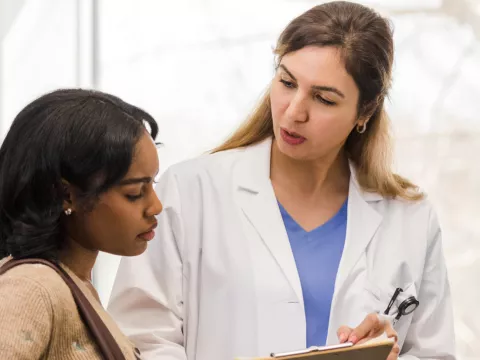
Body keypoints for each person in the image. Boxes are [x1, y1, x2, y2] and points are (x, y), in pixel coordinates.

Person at [108, 2, 456, 360]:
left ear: (364, 111)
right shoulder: (188, 191)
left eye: (323, 99)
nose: (293, 112)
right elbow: (141, 341)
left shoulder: (411, 218)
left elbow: (434, 353)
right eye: (287, 82)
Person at [0, 89, 163, 359]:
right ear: (66, 195)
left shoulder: (73, 286)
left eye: (153, 184)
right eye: (134, 192)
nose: (156, 206)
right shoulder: (32, 288)